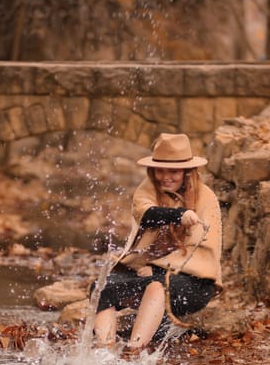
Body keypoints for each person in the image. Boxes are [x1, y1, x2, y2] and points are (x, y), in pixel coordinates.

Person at [92, 133, 222, 351]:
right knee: (101, 287)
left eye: (173, 171)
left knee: (156, 286)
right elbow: (147, 214)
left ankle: (135, 350)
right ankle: (105, 350)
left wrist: (156, 269)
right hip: (147, 269)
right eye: (160, 170)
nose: (165, 177)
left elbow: (201, 250)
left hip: (195, 280)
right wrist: (178, 215)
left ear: (187, 171)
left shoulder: (206, 198)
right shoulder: (147, 189)